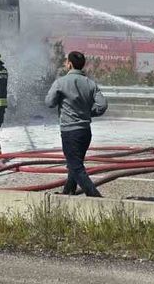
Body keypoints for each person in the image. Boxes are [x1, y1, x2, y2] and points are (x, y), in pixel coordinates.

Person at [45, 51, 107, 197]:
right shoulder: (90, 83)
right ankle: (68, 191)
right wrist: (88, 113)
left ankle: (95, 197)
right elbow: (102, 105)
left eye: (67, 61)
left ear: (69, 64)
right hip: (85, 131)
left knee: (76, 167)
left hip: (69, 131)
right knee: (75, 163)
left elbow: (49, 103)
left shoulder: (60, 82)